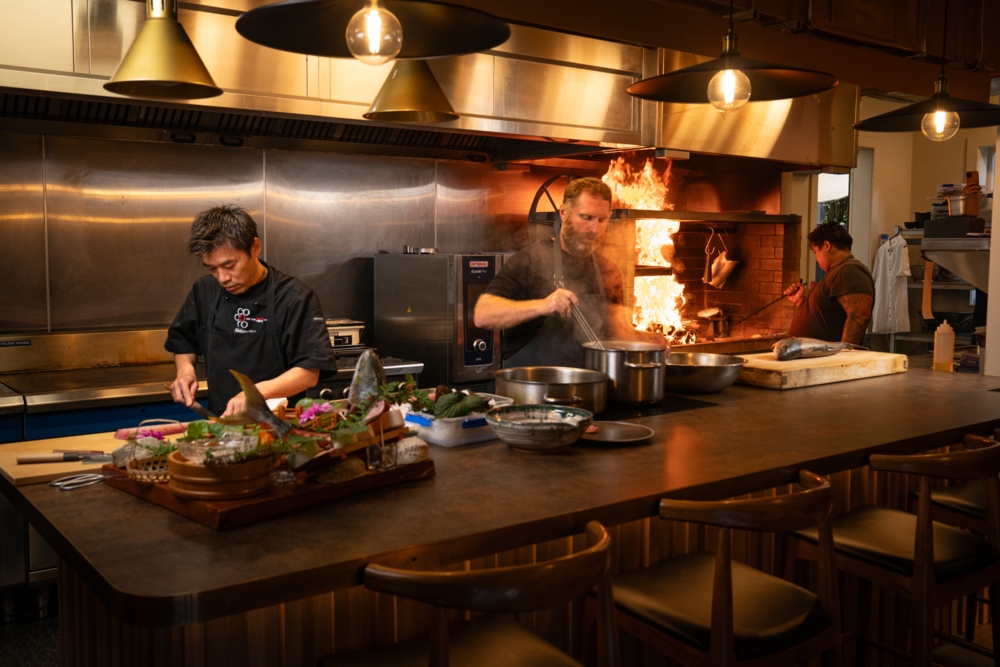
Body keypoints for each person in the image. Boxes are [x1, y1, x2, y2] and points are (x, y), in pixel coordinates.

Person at [165, 205, 334, 416]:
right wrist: (185, 371)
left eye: (229, 265)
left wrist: (255, 392)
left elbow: (309, 373)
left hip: (280, 426)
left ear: (254, 247)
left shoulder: (294, 297)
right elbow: (184, 342)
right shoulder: (204, 290)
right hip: (223, 423)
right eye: (212, 268)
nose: (222, 278)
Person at [474, 177, 653, 367]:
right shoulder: (530, 260)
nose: (595, 229)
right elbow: (483, 315)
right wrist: (543, 305)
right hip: (535, 388)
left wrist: (645, 340)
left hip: (590, 386)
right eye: (586, 217)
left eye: (602, 220)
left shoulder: (608, 271)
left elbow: (618, 332)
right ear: (563, 213)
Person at [784, 222, 874, 345]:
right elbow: (827, 316)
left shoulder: (849, 271)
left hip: (828, 360)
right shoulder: (838, 272)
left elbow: (859, 316)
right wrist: (800, 302)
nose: (816, 259)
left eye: (816, 252)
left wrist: (846, 356)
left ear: (827, 245)